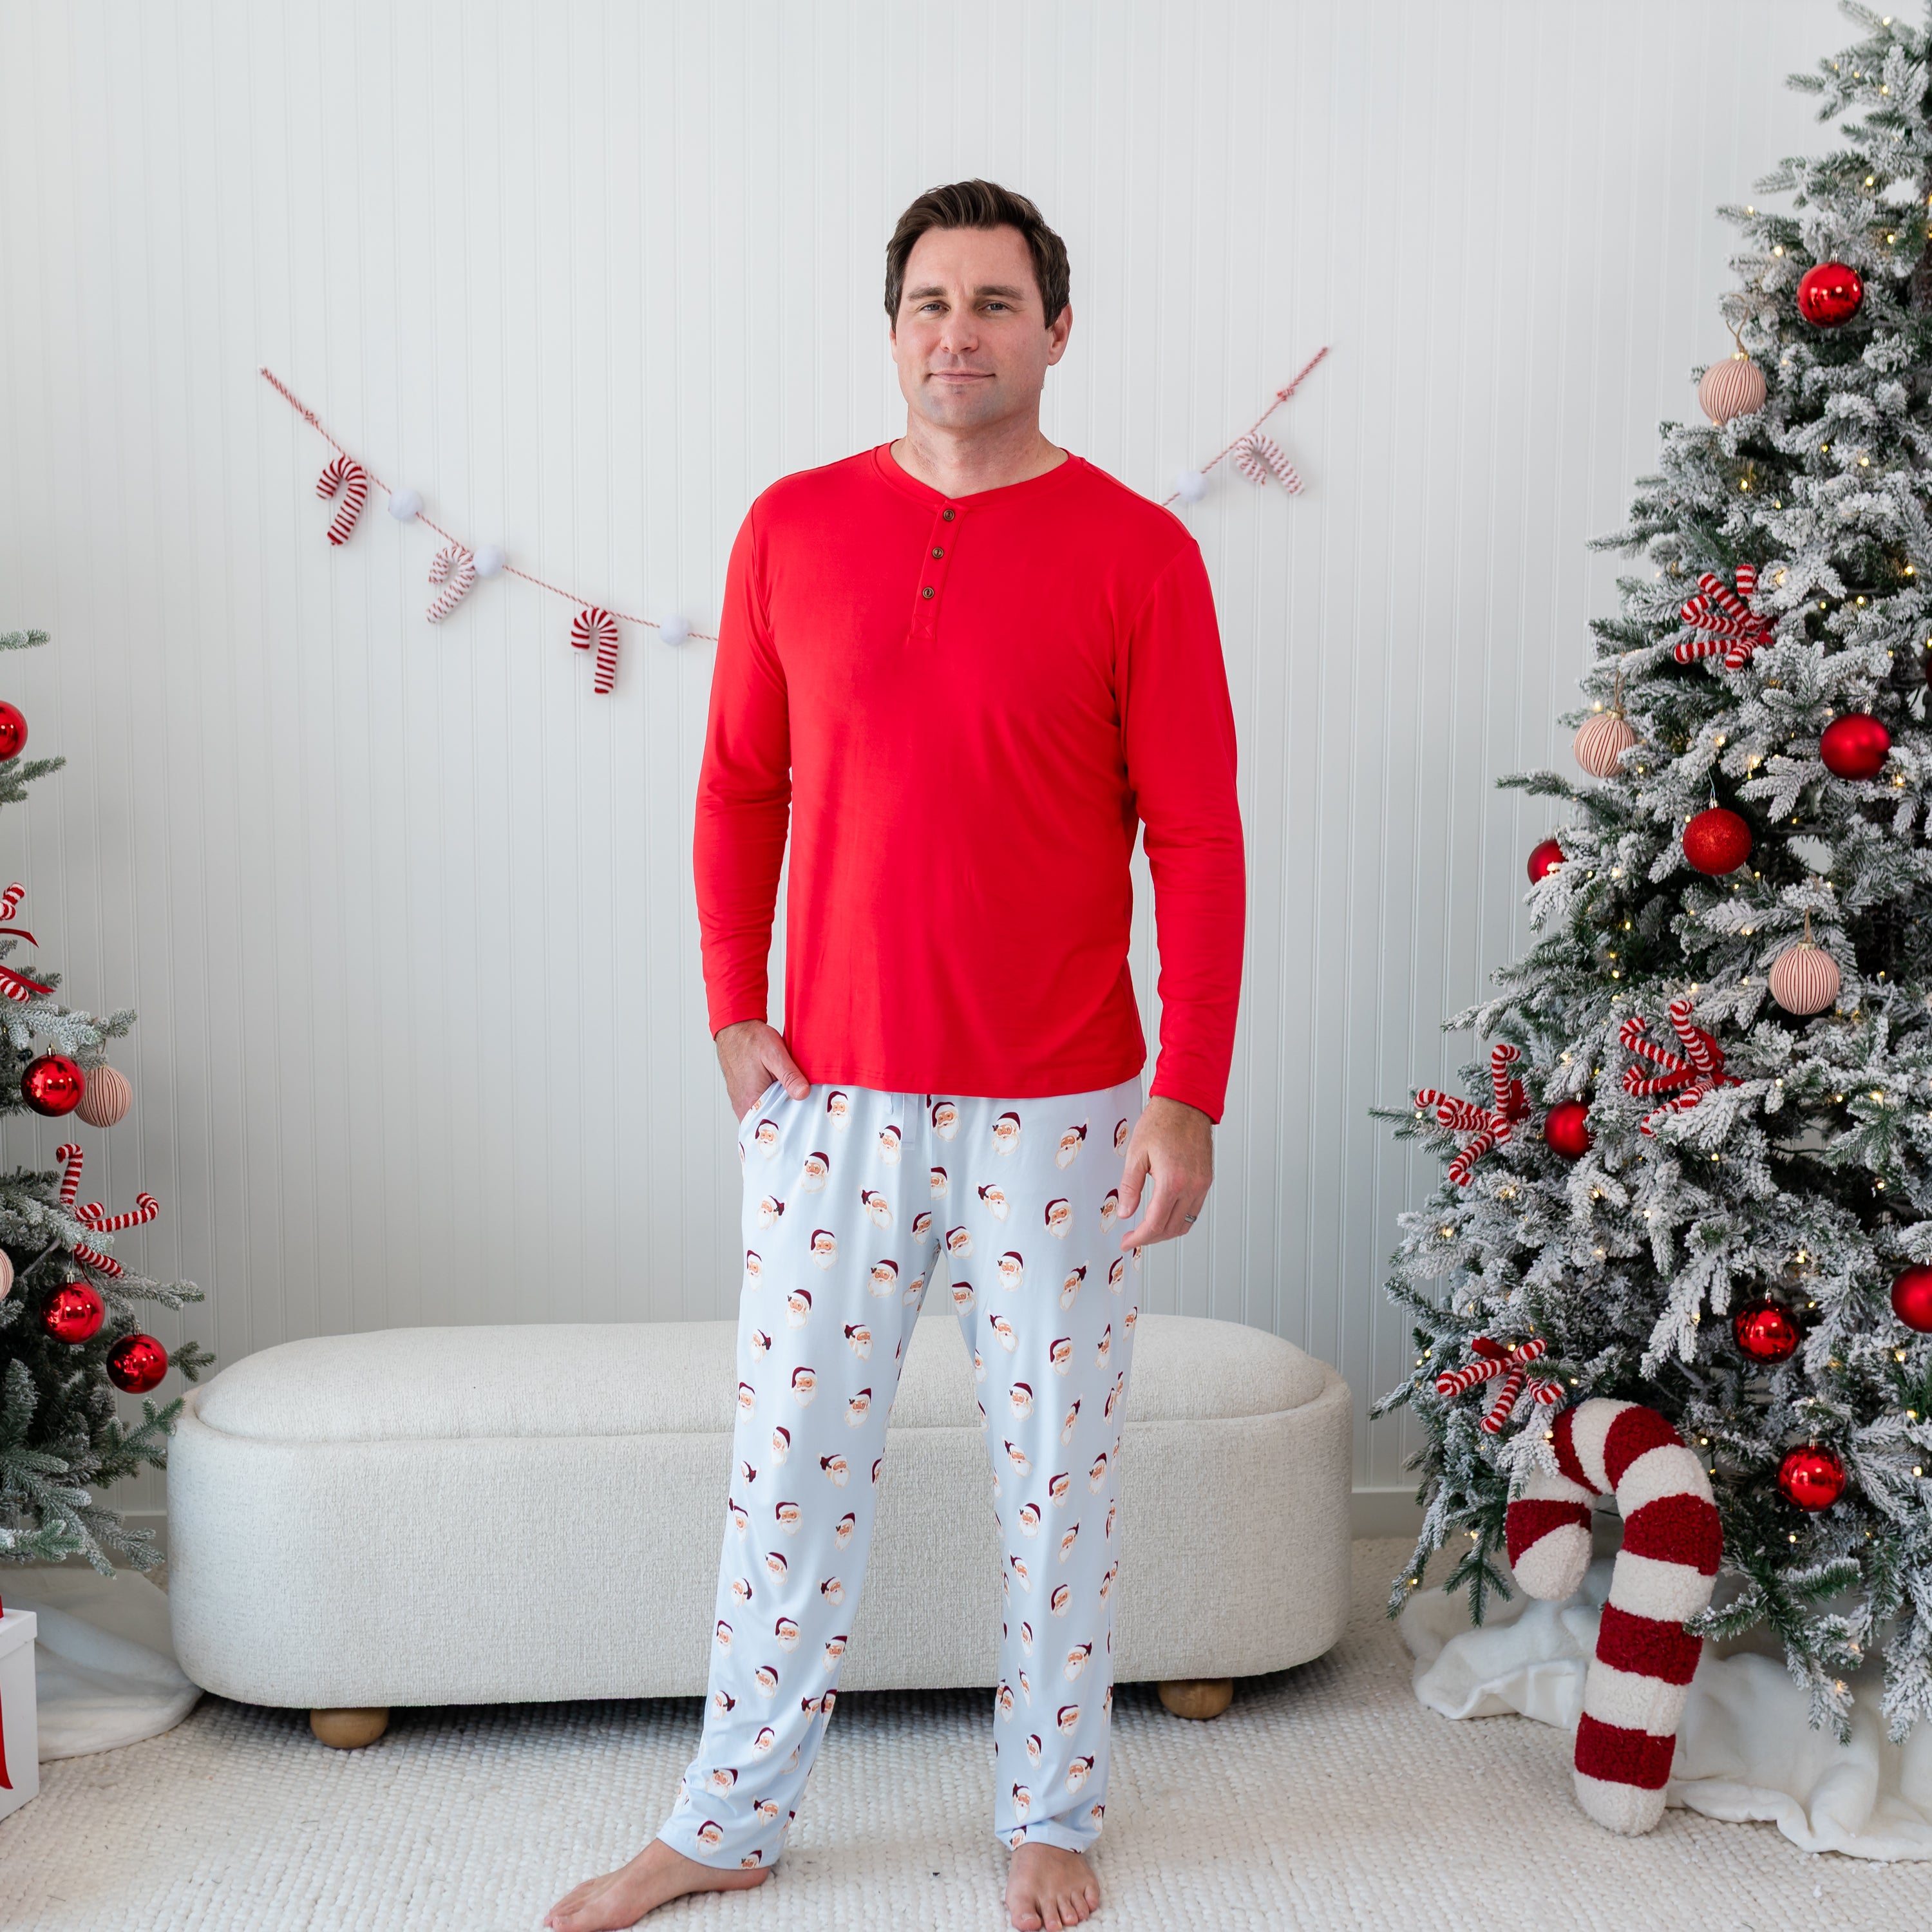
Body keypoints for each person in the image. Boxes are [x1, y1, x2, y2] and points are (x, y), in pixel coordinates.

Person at [544, 178, 1244, 1932]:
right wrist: (729, 1005)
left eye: (998, 303)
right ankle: (726, 1818)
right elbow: (738, 785)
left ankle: (1052, 1811)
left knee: (1060, 1479)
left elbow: (1202, 839)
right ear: (893, 329)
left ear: (1057, 331)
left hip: (1068, 1107)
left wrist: (1191, 1090)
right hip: (828, 1104)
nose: (962, 334)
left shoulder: (1142, 552)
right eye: (932, 303)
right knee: (786, 1472)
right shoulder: (791, 528)